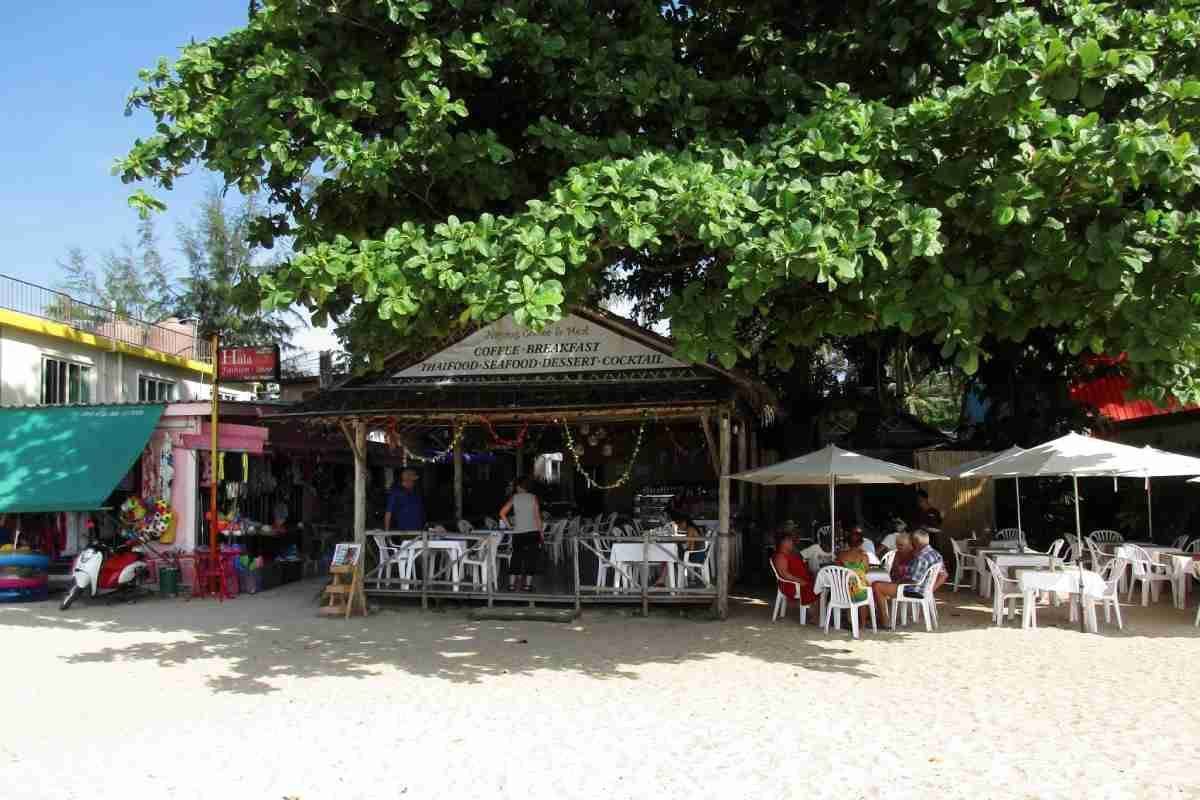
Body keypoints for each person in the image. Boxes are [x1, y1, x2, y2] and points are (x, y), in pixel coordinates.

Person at [871, 530, 945, 627]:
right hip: (921, 587)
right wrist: (929, 589)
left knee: (877, 586)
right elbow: (944, 574)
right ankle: (881, 616)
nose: (911, 544)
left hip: (912, 589)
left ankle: (885, 621)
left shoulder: (921, 557)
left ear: (916, 543)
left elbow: (913, 580)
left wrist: (898, 582)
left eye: (912, 542)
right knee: (882, 584)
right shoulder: (936, 554)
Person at [499, 476, 542, 592]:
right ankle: (527, 586)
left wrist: (509, 526)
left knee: (516, 558)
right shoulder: (534, 498)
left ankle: (512, 585)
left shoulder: (514, 498)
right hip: (533, 532)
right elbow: (537, 517)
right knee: (531, 559)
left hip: (518, 533)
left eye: (516, 486)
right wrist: (541, 533)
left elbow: (502, 513)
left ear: (519, 486)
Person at [772, 532, 818, 613]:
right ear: (783, 542)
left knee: (819, 585)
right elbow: (784, 574)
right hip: (792, 584)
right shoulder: (780, 556)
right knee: (816, 587)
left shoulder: (789, 553)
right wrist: (800, 581)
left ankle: (819, 615)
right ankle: (816, 616)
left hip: (801, 580)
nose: (791, 543)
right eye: (789, 541)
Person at [836, 529, 872, 626]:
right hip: (858, 591)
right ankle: (863, 623)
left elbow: (837, 570)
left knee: (852, 585)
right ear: (861, 543)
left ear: (847, 543)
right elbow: (866, 570)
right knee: (867, 590)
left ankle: (850, 620)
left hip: (842, 591)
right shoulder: (863, 556)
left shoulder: (841, 555)